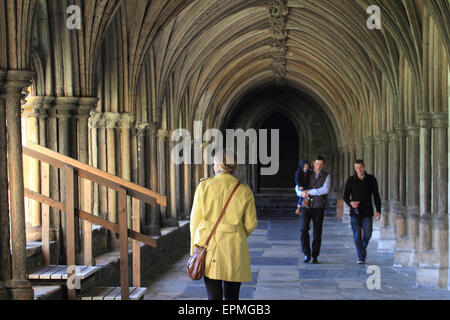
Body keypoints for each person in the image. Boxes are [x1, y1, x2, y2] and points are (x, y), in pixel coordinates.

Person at [189, 149, 258, 300]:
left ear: (218, 165)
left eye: (214, 162)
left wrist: (194, 248)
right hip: (234, 245)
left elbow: (195, 220)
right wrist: (237, 233)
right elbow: (251, 223)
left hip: (209, 246)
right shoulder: (245, 191)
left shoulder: (204, 187)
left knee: (213, 295)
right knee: (233, 296)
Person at [343, 159, 381, 264]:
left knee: (368, 233)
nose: (359, 170)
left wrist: (378, 210)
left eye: (360, 167)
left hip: (367, 210)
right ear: (355, 168)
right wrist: (351, 203)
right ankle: (361, 257)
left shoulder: (371, 179)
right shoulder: (351, 180)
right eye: (356, 168)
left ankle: (362, 250)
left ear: (364, 167)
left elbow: (376, 195)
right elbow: (345, 196)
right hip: (355, 211)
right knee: (356, 235)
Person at [295, 155, 331, 264]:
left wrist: (309, 192)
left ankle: (315, 255)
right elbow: (297, 185)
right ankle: (307, 253)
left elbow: (325, 190)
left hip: (319, 206)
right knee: (303, 229)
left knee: (317, 231)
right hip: (306, 205)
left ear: (323, 165)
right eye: (317, 163)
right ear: (313, 163)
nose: (318, 166)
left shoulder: (326, 176)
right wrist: (301, 193)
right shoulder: (306, 172)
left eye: (321, 164)